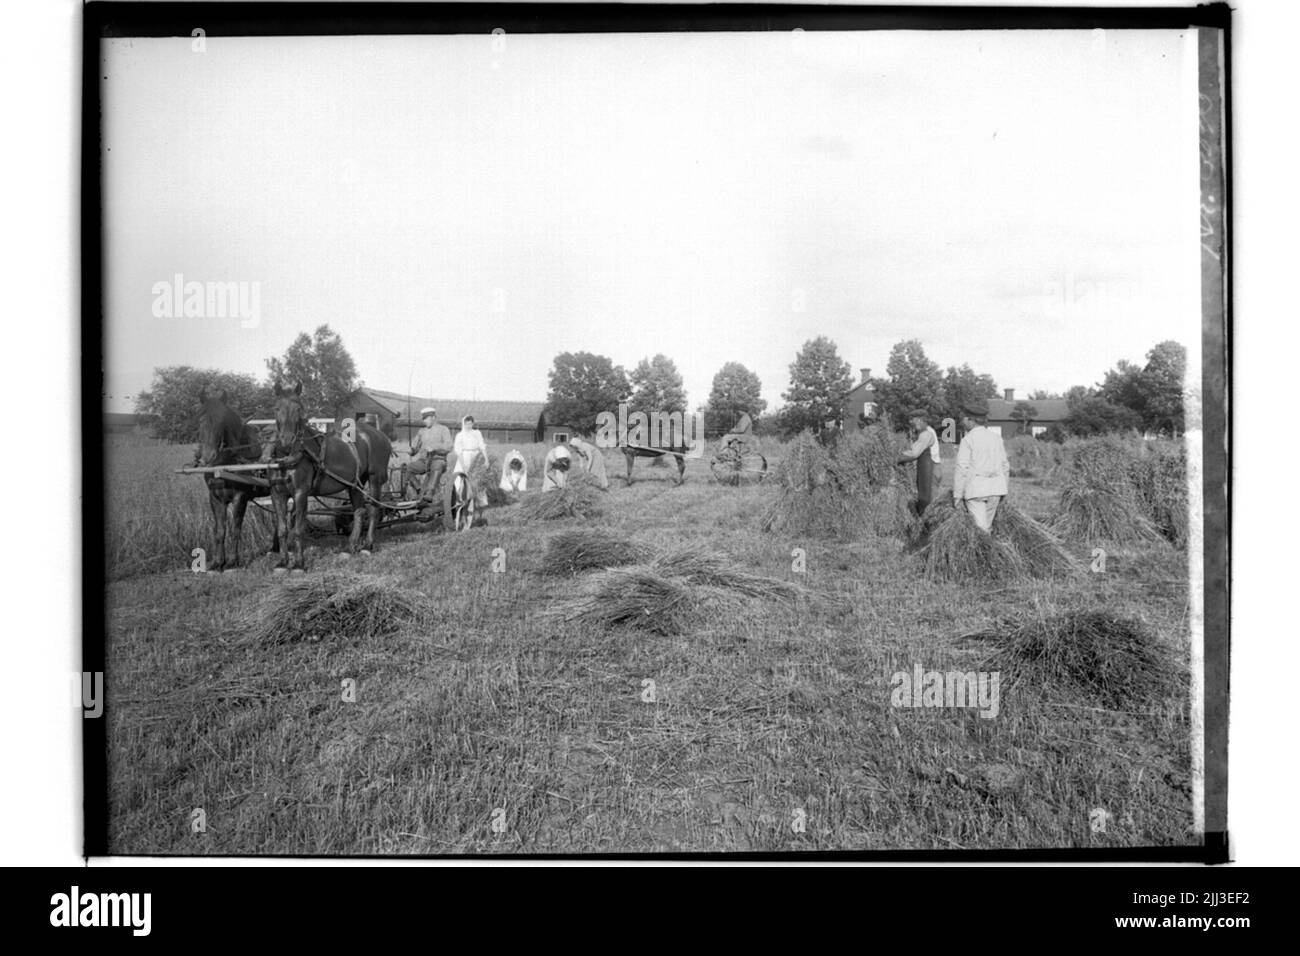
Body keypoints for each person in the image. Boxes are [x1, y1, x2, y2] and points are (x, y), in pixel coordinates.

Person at [953, 399, 1010, 533]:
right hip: (996, 489)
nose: (962, 422)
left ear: (971, 420)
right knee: (987, 528)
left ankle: (985, 552)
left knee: (980, 531)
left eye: (964, 419)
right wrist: (1004, 489)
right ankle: (989, 551)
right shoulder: (996, 438)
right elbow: (1005, 466)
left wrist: (957, 496)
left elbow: (962, 468)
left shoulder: (968, 440)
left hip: (976, 490)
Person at [897, 408, 942, 517]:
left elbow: (914, 453)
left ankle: (929, 525)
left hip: (931, 469)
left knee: (928, 500)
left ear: (920, 420)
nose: (912, 425)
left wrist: (897, 458)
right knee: (924, 498)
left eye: (913, 421)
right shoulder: (922, 433)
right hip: (926, 468)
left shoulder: (927, 434)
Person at [407, 407, 452, 504]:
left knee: (437, 465)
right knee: (407, 468)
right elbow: (415, 447)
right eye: (423, 419)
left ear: (434, 417)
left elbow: (449, 446)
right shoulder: (421, 431)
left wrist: (435, 448)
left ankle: (430, 493)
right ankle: (419, 489)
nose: (424, 421)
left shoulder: (443, 429)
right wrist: (411, 450)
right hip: (423, 462)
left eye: (427, 418)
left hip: (438, 459)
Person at [452, 415, 489, 506]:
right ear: (463, 424)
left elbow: (482, 446)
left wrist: (486, 459)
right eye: (467, 424)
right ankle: (459, 500)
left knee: (478, 479)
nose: (469, 426)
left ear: (473, 424)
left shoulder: (477, 433)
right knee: (460, 478)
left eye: (470, 424)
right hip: (464, 457)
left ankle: (479, 502)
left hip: (476, 457)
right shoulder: (460, 435)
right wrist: (463, 465)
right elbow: (458, 451)